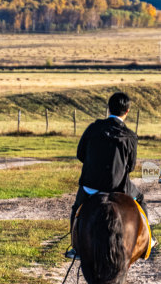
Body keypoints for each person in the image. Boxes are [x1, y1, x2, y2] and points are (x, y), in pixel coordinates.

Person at [65, 91, 156, 260]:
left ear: (108, 108)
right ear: (127, 111)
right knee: (141, 199)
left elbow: (80, 154)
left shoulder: (93, 128)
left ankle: (76, 247)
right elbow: (130, 167)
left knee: (76, 209)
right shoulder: (130, 135)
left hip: (91, 185)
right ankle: (148, 240)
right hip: (119, 186)